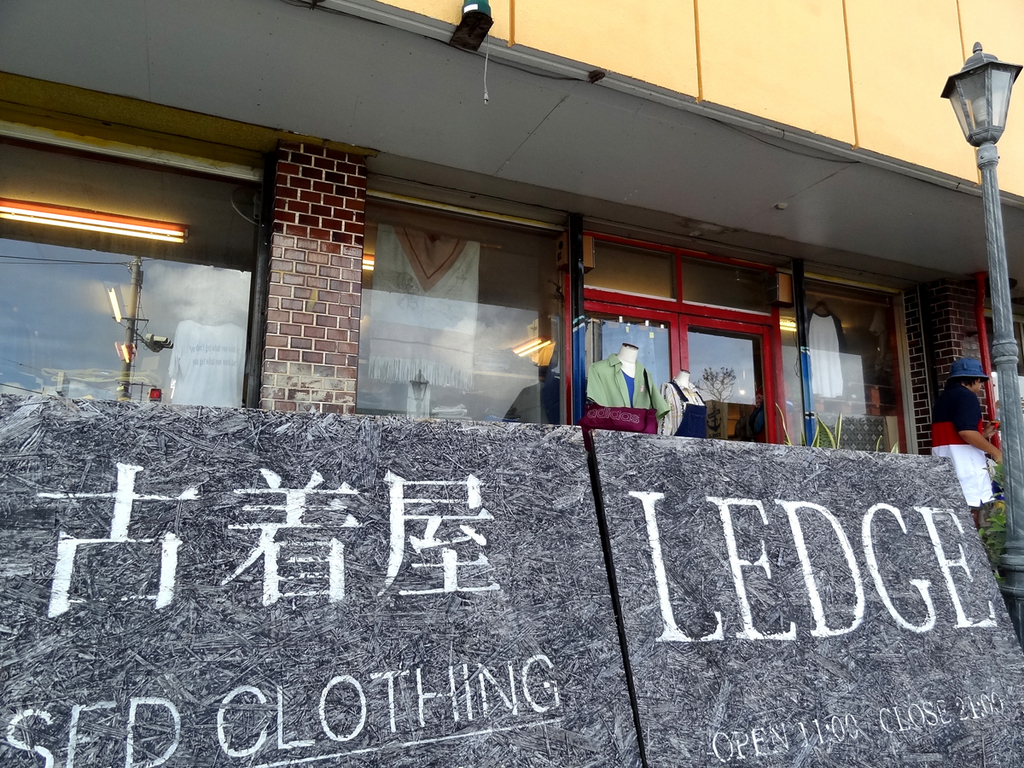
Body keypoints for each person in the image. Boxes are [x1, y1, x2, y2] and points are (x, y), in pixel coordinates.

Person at [931, 357, 1001, 524]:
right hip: (968, 475)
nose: (980, 386)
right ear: (975, 379)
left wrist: (983, 434)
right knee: (978, 526)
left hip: (945, 472)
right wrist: (996, 453)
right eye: (981, 382)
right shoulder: (967, 397)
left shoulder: (943, 399)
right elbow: (966, 432)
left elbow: (957, 436)